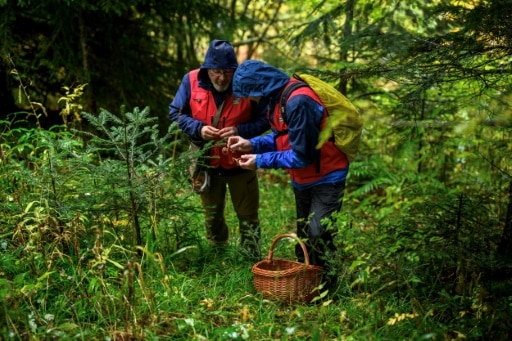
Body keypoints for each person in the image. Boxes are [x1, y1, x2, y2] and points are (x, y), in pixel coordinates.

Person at [227, 60, 349, 282]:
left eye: (251, 94)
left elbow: (302, 155)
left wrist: (259, 160)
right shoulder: (277, 101)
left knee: (318, 233)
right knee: (304, 234)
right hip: (302, 178)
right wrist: (251, 144)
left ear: (262, 86)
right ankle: (306, 282)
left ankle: (329, 284)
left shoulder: (299, 101)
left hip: (327, 176)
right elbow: (281, 137)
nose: (250, 100)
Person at [169, 41, 269, 258]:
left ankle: (251, 256)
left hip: (240, 161)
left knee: (248, 214)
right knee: (212, 214)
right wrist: (198, 128)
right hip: (205, 162)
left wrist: (240, 130)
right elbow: (175, 112)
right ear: (207, 70)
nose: (222, 78)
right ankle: (218, 254)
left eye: (227, 72)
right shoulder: (191, 80)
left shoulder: (248, 84)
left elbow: (265, 119)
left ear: (235, 70)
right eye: (216, 72)